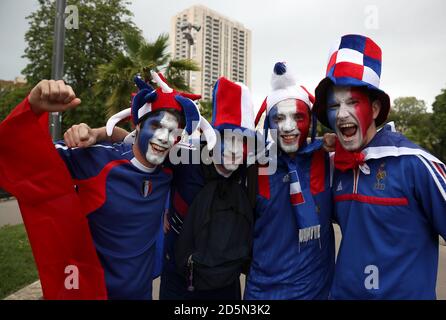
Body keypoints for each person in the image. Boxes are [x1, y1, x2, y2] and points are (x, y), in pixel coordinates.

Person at [0, 72, 212, 299]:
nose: (163, 138)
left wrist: (104, 132)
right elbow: (26, 156)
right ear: (138, 126)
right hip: (93, 293)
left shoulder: (169, 168)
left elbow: (224, 155)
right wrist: (33, 107)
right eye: (156, 126)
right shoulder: (96, 158)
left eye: (173, 132)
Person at [66, 76, 257, 300]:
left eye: (243, 140)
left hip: (227, 284)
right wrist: (98, 133)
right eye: (226, 137)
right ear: (211, 134)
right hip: (180, 283)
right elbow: (138, 141)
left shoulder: (254, 168)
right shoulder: (185, 156)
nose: (234, 149)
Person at [313, 34, 446, 299]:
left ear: (374, 109)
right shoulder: (331, 166)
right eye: (334, 105)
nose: (341, 114)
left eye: (352, 102)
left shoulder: (415, 165)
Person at [243, 62, 335, 300]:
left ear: (311, 121)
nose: (288, 127)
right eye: (279, 118)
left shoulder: (329, 160)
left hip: (315, 290)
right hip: (263, 292)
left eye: (298, 117)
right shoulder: (253, 164)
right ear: (268, 124)